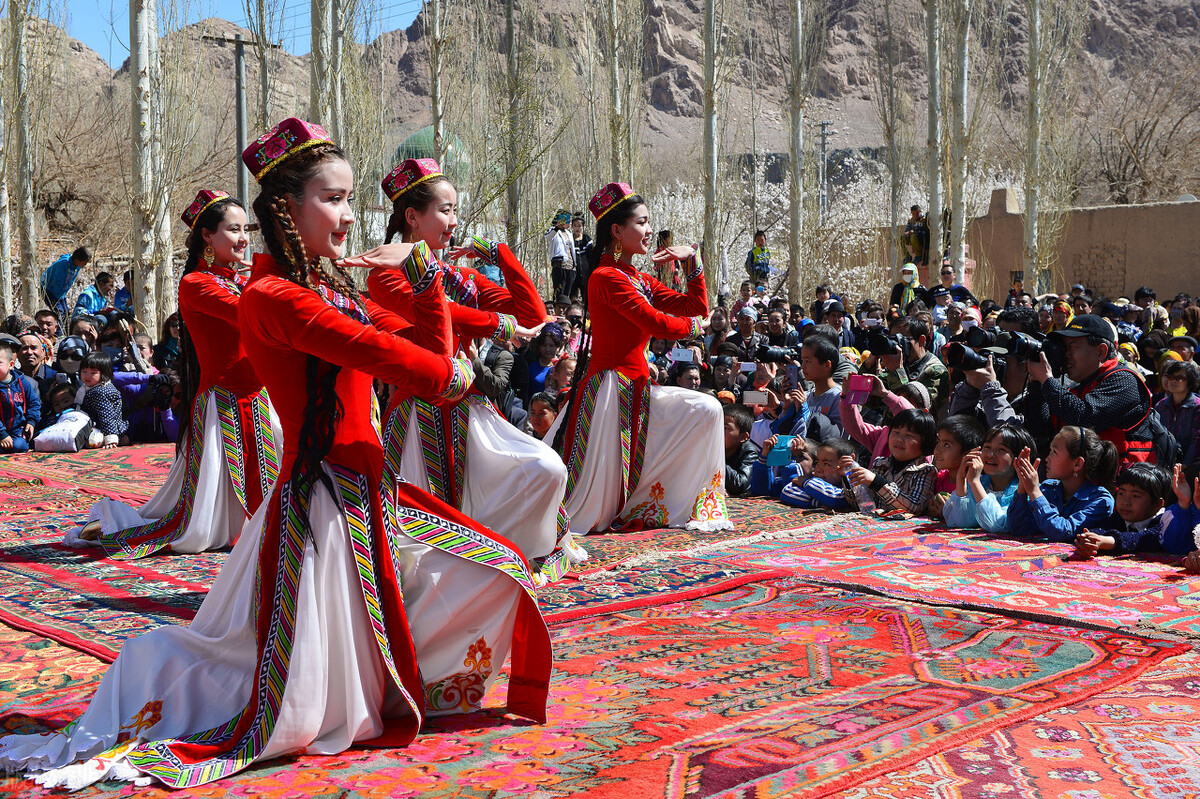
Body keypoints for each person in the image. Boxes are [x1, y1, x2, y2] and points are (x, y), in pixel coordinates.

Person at [0, 117, 551, 791]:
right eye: (333, 199)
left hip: (366, 489)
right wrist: (424, 279)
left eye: (351, 200)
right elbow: (437, 374)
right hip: (322, 504)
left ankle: (406, 677)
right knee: (303, 690)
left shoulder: (329, 289)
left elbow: (433, 363)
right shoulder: (277, 298)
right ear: (286, 207)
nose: (348, 217)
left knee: (500, 572)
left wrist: (425, 281)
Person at [368, 157, 570, 565]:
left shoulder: (458, 276)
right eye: (446, 210)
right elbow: (437, 314)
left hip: (470, 406)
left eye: (456, 210)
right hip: (419, 411)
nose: (455, 221)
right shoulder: (384, 275)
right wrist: (498, 324)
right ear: (413, 216)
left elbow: (531, 314)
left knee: (548, 469)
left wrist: (497, 252)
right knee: (421, 529)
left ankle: (498, 554)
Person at [70, 190, 284, 559]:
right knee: (199, 520)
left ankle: (267, 525)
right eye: (233, 230)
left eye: (245, 229)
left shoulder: (239, 281)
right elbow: (254, 315)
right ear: (207, 235)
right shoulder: (197, 284)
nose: (243, 238)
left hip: (259, 394)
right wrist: (266, 274)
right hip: (224, 397)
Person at [549, 182, 732, 534]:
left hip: (637, 386)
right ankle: (638, 505)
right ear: (617, 231)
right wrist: (696, 325)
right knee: (595, 503)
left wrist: (692, 260)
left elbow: (696, 306)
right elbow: (657, 323)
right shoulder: (605, 278)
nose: (649, 231)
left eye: (650, 223)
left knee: (708, 410)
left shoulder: (638, 279)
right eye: (642, 223)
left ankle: (672, 503)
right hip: (610, 393)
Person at [1025, 314, 1156, 467]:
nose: (1065, 355)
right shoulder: (1079, 387)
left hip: (1122, 486)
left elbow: (1083, 419)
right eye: (1063, 348)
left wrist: (1047, 380)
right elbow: (1040, 430)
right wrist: (1037, 385)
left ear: (1101, 351)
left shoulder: (1125, 380)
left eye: (1073, 347)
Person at [1008, 426, 1117, 542]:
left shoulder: (1101, 500)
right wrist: (1023, 487)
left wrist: (1034, 491)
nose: (1047, 458)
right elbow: (1019, 528)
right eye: (1050, 451)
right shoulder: (1049, 489)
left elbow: (1062, 532)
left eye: (1054, 452)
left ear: (1077, 464)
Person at [1073, 463, 1195, 558]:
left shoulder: (1164, 522)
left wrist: (1106, 541)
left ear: (1157, 504)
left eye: (1136, 496)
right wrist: (1089, 539)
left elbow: (1144, 539)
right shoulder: (1119, 518)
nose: (1126, 502)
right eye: (1121, 493)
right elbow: (1102, 529)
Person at [841, 408, 938, 516]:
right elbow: (863, 504)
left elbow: (915, 507)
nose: (899, 439)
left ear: (925, 442)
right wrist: (849, 477)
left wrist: (877, 482)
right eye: (895, 432)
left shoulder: (925, 470)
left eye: (909, 436)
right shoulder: (880, 464)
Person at [943, 423, 1037, 533]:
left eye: (1001, 449)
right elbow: (961, 522)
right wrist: (961, 480)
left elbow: (998, 524)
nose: (991, 454)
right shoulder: (982, 483)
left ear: (1019, 458)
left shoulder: (1023, 491)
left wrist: (975, 482)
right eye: (987, 447)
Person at [928, 415, 985, 518]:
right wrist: (932, 506)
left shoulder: (975, 484)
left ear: (968, 454)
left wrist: (950, 512)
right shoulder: (938, 478)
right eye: (938, 442)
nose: (937, 449)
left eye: (946, 445)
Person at [1155, 359, 1200, 466]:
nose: (1173, 381)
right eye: (1170, 377)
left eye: (1179, 378)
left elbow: (1197, 440)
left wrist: (1185, 464)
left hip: (1190, 465)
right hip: (1164, 463)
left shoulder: (1197, 407)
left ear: (1189, 381)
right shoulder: (1160, 406)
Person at [79, 351, 126, 448]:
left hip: (104, 429)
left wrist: (110, 438)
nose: (87, 376)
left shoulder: (100, 392)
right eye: (84, 372)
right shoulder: (89, 387)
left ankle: (117, 438)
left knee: (91, 441)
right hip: (94, 425)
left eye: (93, 373)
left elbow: (107, 415)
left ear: (103, 374)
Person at [0, 334, 39, 453]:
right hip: (1, 428)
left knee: (19, 446)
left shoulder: (22, 383)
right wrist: (2, 433)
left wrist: (31, 421)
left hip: (17, 428)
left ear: (11, 365)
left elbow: (34, 403)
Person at [40, 246, 90, 320]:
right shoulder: (63, 264)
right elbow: (58, 281)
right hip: (49, 289)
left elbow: (70, 281)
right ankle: (58, 331)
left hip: (60, 293)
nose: (85, 265)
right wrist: (57, 299)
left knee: (66, 313)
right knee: (59, 313)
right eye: (84, 263)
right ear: (77, 260)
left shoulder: (77, 267)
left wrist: (62, 296)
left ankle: (66, 330)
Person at [723, 403, 757, 496]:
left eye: (725, 428)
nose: (718, 431)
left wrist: (717, 459)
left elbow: (741, 484)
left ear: (743, 437)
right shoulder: (711, 448)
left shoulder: (749, 453)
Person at [16, 331, 58, 403]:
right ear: (16, 353)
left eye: (34, 348)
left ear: (43, 352)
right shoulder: (13, 379)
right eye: (24, 348)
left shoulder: (54, 378)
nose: (29, 352)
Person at [545, 209, 576, 300]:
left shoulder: (569, 234)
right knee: (559, 293)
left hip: (571, 267)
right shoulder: (553, 231)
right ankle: (557, 310)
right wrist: (557, 227)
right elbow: (547, 237)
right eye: (568, 220)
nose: (570, 223)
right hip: (559, 266)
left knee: (568, 293)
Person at [570, 213, 593, 301]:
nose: (577, 228)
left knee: (586, 295)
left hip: (585, 272)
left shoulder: (586, 239)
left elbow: (591, 255)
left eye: (579, 226)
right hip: (573, 272)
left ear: (583, 226)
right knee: (573, 295)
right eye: (575, 225)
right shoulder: (570, 239)